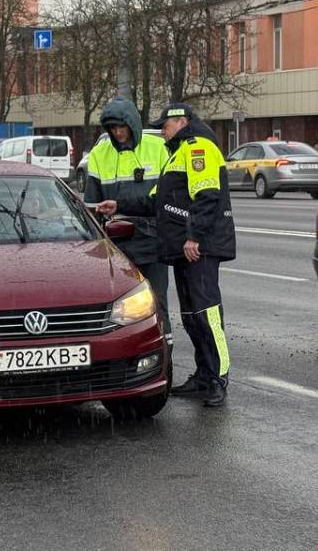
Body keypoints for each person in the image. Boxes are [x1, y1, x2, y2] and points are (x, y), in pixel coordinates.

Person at [97, 103, 236, 407]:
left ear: (182, 121)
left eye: (165, 125)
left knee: (207, 313)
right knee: (191, 315)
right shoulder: (177, 152)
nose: (162, 130)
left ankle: (218, 378)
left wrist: (194, 237)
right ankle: (203, 375)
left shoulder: (199, 147)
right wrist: (118, 205)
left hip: (201, 247)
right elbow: (154, 201)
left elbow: (207, 195)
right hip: (183, 249)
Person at [83, 98, 172, 350]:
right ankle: (123, 356)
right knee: (118, 307)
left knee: (157, 303)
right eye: (112, 128)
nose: (118, 133)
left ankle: (163, 355)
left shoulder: (157, 148)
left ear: (133, 124)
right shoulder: (100, 154)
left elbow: (165, 199)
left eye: (122, 127)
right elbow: (91, 204)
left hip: (153, 242)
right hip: (115, 247)